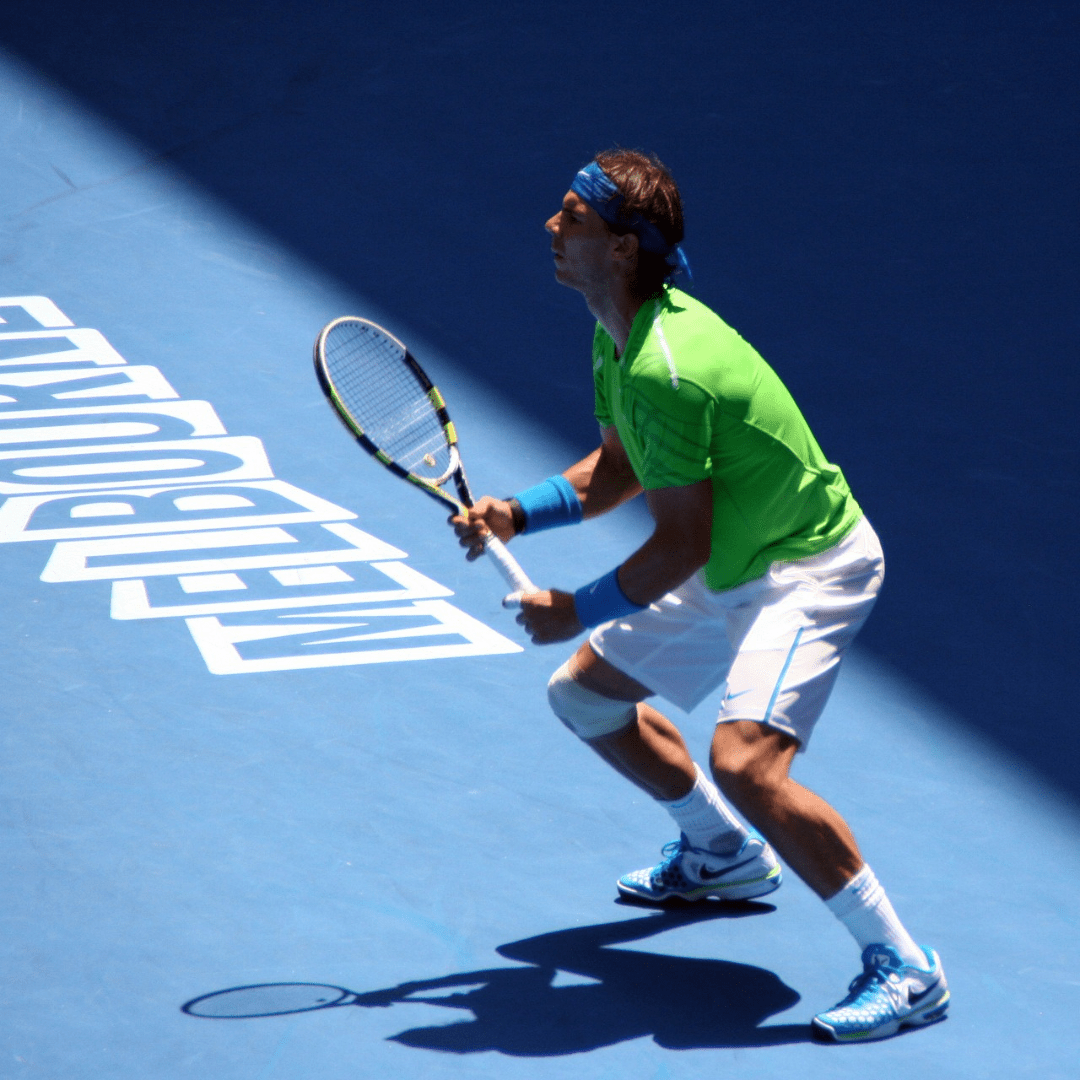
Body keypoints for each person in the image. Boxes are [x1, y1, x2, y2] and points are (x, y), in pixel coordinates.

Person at [452, 149, 949, 1042]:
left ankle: (906, 967)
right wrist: (518, 516)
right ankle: (720, 855)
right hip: (728, 559)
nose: (551, 228)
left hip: (806, 566)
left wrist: (575, 608)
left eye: (574, 217)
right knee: (582, 697)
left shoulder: (665, 366)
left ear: (622, 250)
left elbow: (676, 542)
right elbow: (619, 470)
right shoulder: (618, 333)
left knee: (748, 763)